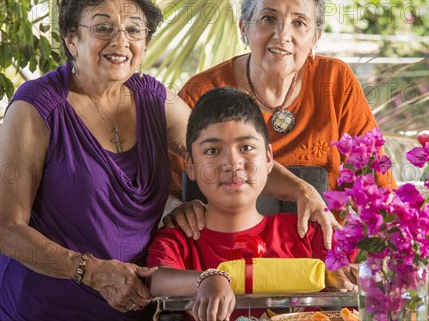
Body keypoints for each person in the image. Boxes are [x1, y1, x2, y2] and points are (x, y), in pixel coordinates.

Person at [0, 0, 192, 321]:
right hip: (41, 310)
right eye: (102, 28)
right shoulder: (37, 106)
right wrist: (93, 272)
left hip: (133, 309)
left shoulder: (154, 99)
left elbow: (225, 151)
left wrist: (299, 190)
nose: (121, 42)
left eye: (134, 30)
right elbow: (4, 231)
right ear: (71, 39)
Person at [171, 0, 394, 235]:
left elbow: (378, 186)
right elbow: (166, 188)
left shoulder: (336, 82)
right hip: (228, 261)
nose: (282, 35)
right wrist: (177, 208)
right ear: (244, 27)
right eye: (268, 18)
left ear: (315, 38)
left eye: (299, 23)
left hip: (325, 260)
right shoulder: (202, 92)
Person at [148, 87, 357, 321]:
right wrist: (208, 278)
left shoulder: (311, 234)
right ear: (191, 167)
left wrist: (354, 278)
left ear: (268, 158)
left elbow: (358, 278)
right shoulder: (180, 239)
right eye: (212, 150)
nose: (232, 162)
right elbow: (157, 279)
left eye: (246, 147)